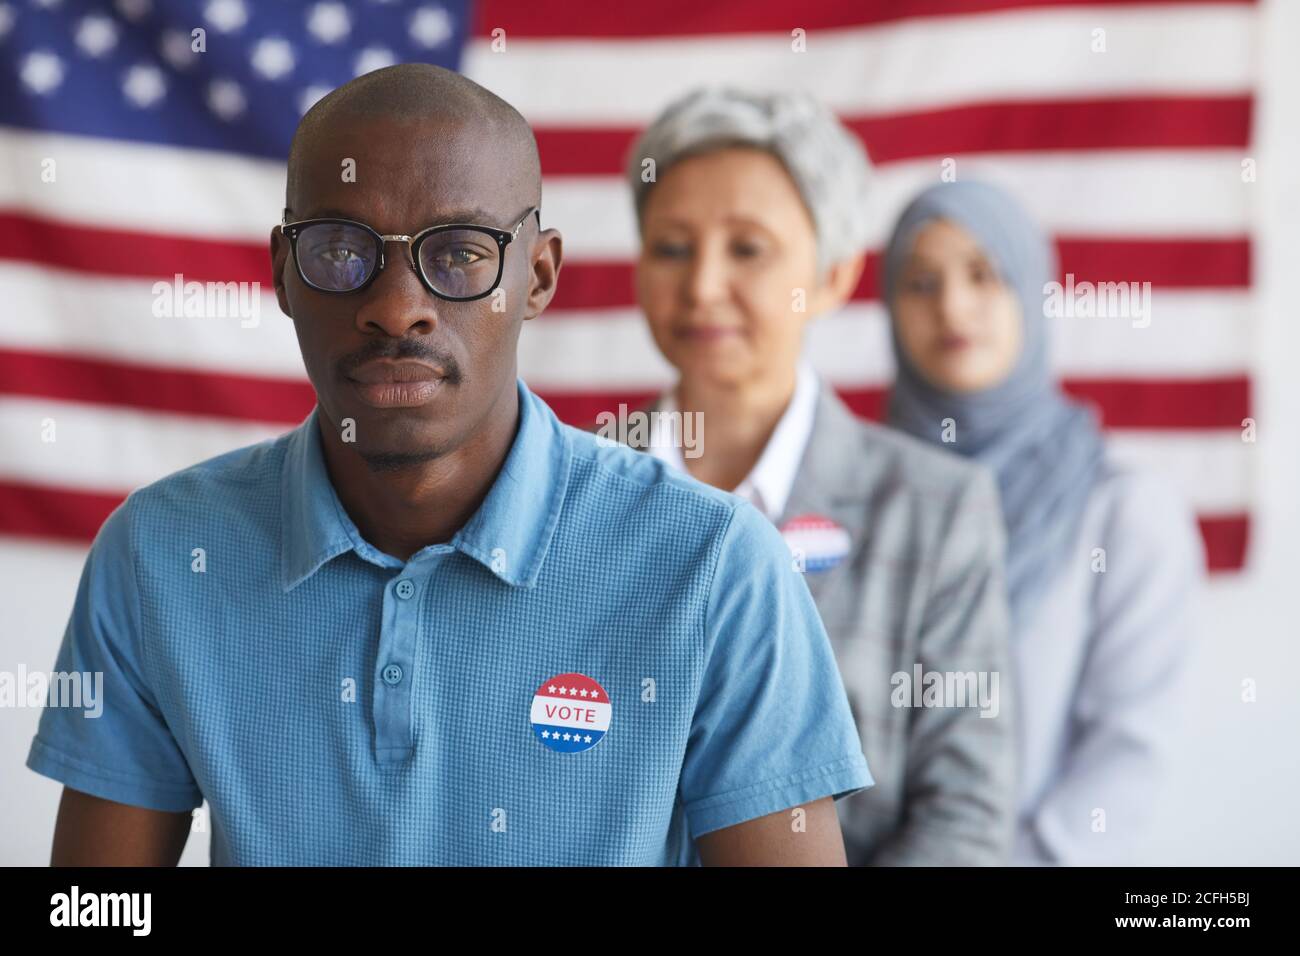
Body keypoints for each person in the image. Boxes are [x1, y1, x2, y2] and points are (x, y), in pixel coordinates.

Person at [24, 64, 873, 867]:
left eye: (459, 252)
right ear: (284, 274)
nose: (395, 308)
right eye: (339, 250)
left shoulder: (717, 568)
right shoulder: (160, 553)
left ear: (537, 277)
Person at [623, 88, 1017, 865]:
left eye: (747, 249)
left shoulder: (936, 508)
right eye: (672, 247)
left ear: (835, 276)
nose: (702, 286)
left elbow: (964, 818)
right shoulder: (571, 490)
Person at [881, 179, 1204, 865]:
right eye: (921, 282)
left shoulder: (1119, 507)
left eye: (984, 274)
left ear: (1032, 291)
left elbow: (1127, 754)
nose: (953, 306)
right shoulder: (845, 494)